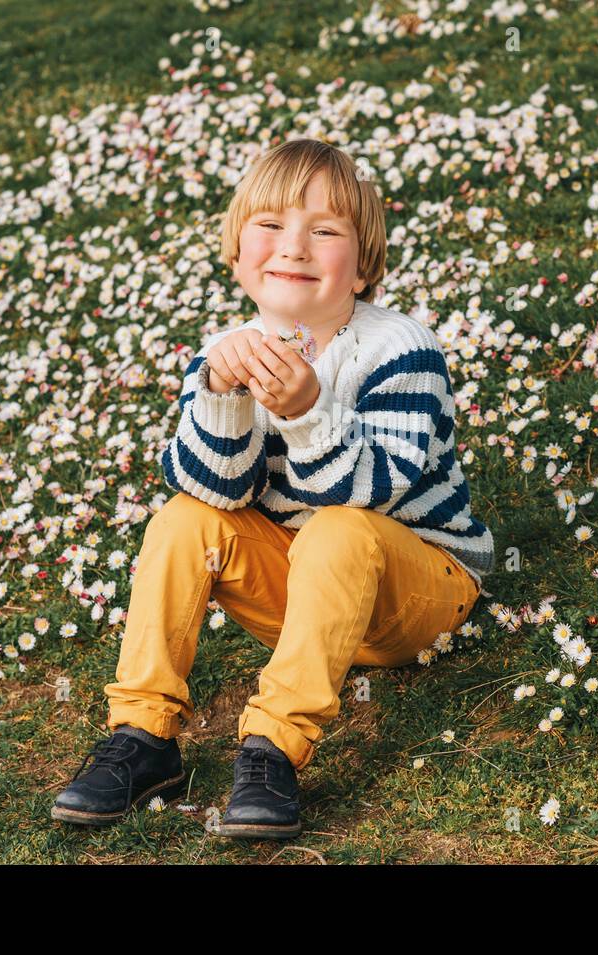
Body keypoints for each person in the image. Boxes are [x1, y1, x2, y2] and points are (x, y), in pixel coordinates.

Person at [51, 138, 495, 839]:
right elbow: (216, 492)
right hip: (307, 599)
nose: (294, 247)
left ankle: (273, 747)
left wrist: (307, 411)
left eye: (324, 231)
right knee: (180, 518)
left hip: (418, 590)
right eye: (270, 226)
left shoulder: (402, 349)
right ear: (237, 255)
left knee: (338, 527)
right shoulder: (228, 351)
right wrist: (224, 396)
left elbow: (371, 495)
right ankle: (144, 735)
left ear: (363, 265)